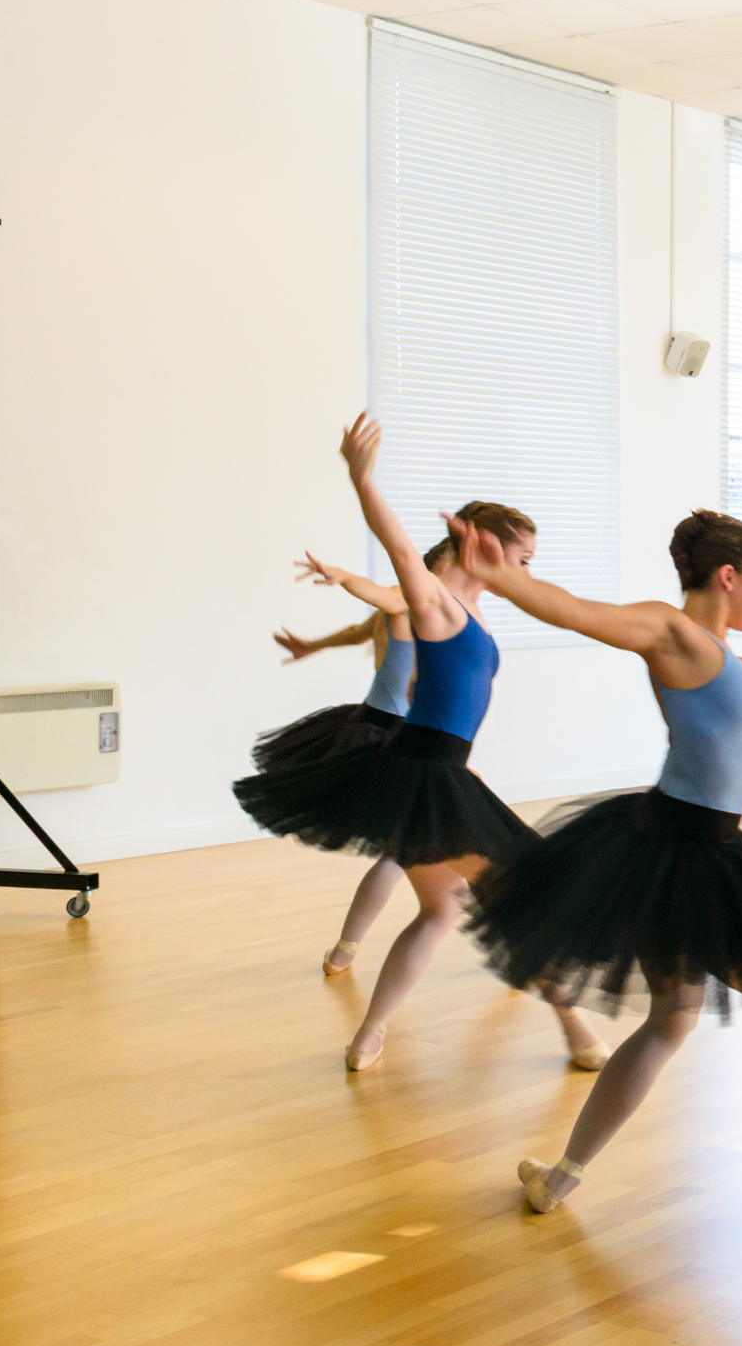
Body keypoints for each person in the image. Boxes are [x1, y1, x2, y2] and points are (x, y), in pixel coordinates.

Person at [452, 507, 742, 1232]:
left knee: (673, 1021)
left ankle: (560, 1177)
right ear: (727, 577)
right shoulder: (672, 635)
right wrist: (500, 579)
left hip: (705, 852)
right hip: (674, 850)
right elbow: (575, 612)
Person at [233, 415, 609, 1075]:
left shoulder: (481, 607)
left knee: (440, 910)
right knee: (513, 897)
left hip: (433, 770)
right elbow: (402, 552)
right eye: (520, 555)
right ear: (483, 546)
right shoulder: (434, 602)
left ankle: (368, 1035)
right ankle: (576, 1028)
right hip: (430, 771)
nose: (524, 568)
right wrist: (361, 479)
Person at [257, 555, 414, 976]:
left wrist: (313, 644)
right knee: (414, 848)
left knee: (410, 849)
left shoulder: (406, 609)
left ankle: (344, 950)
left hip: (375, 726)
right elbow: (379, 597)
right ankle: (344, 949)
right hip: (398, 737)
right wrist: (344, 577)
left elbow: (359, 630)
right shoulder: (411, 601)